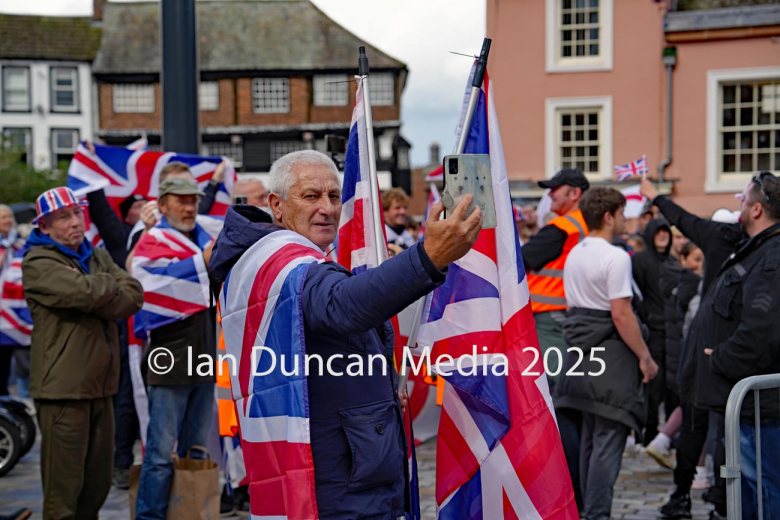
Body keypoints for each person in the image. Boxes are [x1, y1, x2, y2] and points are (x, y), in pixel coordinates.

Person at [209, 150, 481, 518]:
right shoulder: (286, 263)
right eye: (311, 196)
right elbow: (344, 305)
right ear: (276, 205)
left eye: (334, 196)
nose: (327, 208)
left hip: (342, 458)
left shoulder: (275, 258)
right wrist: (428, 256)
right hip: (339, 475)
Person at [21, 187, 143, 519]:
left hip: (102, 387)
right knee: (63, 493)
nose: (75, 222)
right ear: (44, 226)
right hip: (63, 390)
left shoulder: (95, 255)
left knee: (96, 487)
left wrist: (96, 289)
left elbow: (133, 295)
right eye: (63, 217)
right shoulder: (37, 261)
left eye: (77, 213)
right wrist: (107, 286)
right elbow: (83, 293)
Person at [640, 176, 744, 519]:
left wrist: (655, 196)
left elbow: (682, 218)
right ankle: (720, 501)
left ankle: (684, 495)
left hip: (706, 342)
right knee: (726, 428)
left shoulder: (718, 237)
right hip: (733, 341)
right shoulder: (752, 243)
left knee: (697, 426)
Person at [555, 186, 659, 520]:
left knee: (590, 439)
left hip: (579, 354)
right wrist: (645, 357)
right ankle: (597, 514)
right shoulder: (616, 257)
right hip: (611, 359)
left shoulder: (575, 253)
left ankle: (588, 511)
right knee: (607, 444)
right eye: (622, 213)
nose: (626, 219)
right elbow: (621, 314)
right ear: (608, 216)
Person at [130, 175, 219, 519]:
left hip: (204, 359)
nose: (189, 207)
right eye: (181, 200)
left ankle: (189, 513)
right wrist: (201, 263)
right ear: (163, 205)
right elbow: (147, 286)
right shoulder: (153, 239)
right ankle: (149, 516)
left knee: (196, 449)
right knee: (159, 454)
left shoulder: (205, 238)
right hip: (168, 361)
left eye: (193, 200)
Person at [695, 172, 780, 519]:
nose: (739, 205)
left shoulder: (771, 258)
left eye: (743, 199)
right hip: (751, 407)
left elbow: (762, 329)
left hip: (763, 410)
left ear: (757, 209)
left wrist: (721, 358)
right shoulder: (758, 250)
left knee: (766, 493)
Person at [521, 167, 589, 508]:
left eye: (556, 189)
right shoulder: (585, 226)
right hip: (571, 322)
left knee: (557, 407)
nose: (550, 195)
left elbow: (520, 261)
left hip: (550, 324)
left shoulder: (562, 227)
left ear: (574, 193)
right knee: (570, 406)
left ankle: (570, 491)